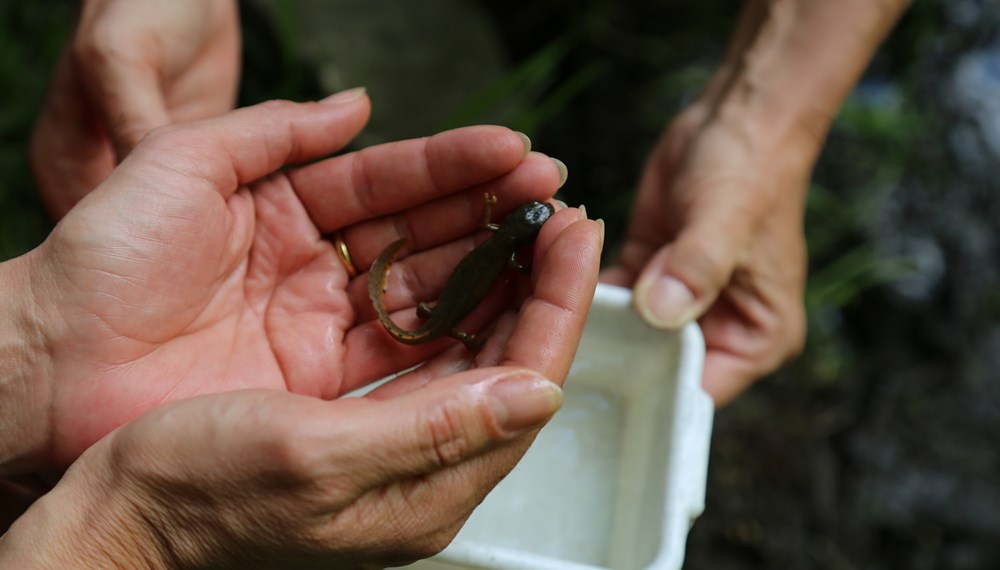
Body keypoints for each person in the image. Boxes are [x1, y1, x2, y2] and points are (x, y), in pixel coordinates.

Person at [29, 0, 913, 408]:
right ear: (511, 225)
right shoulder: (499, 243)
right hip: (436, 309)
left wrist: (770, 123)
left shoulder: (503, 233)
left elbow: (503, 242)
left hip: (446, 300)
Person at [1, 91, 603, 566]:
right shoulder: (507, 254)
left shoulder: (498, 240)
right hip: (437, 326)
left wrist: (40, 340)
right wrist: (147, 537)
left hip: (433, 319)